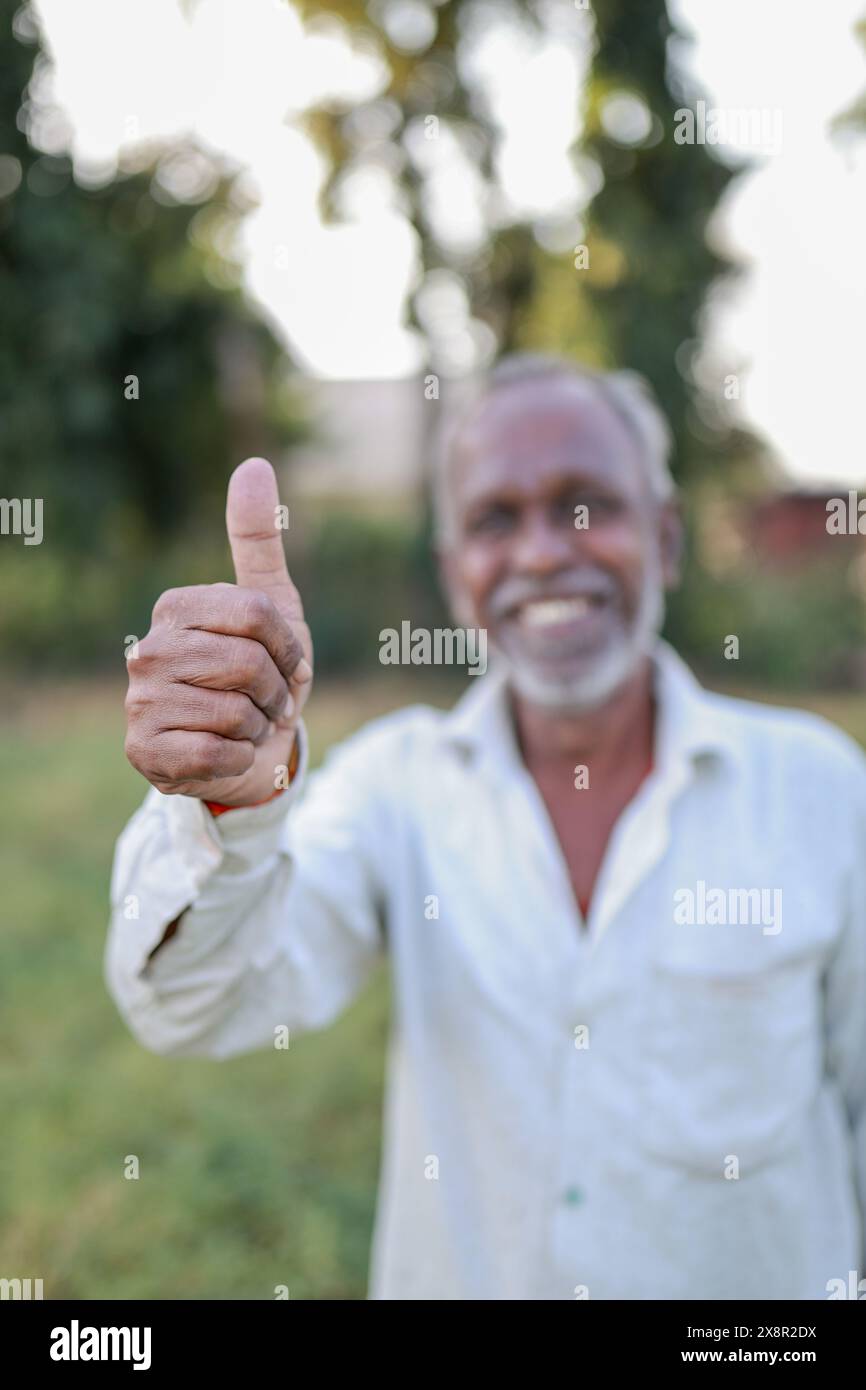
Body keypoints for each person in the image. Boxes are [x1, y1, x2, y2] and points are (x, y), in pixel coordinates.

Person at [106, 355, 866, 1301]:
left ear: (667, 539)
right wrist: (232, 799)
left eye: (587, 504)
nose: (545, 552)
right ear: (456, 574)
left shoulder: (823, 792)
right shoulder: (396, 789)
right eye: (496, 519)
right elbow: (192, 1003)